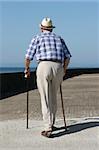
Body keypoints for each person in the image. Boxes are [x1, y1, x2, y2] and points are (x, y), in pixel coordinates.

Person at [24, 17, 72, 137]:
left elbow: (28, 57)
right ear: (51, 28)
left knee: (45, 97)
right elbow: (68, 57)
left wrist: (27, 69)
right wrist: (64, 70)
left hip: (44, 65)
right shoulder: (59, 38)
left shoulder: (37, 38)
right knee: (53, 96)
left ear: (41, 28)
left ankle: (48, 127)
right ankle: (52, 122)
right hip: (58, 67)